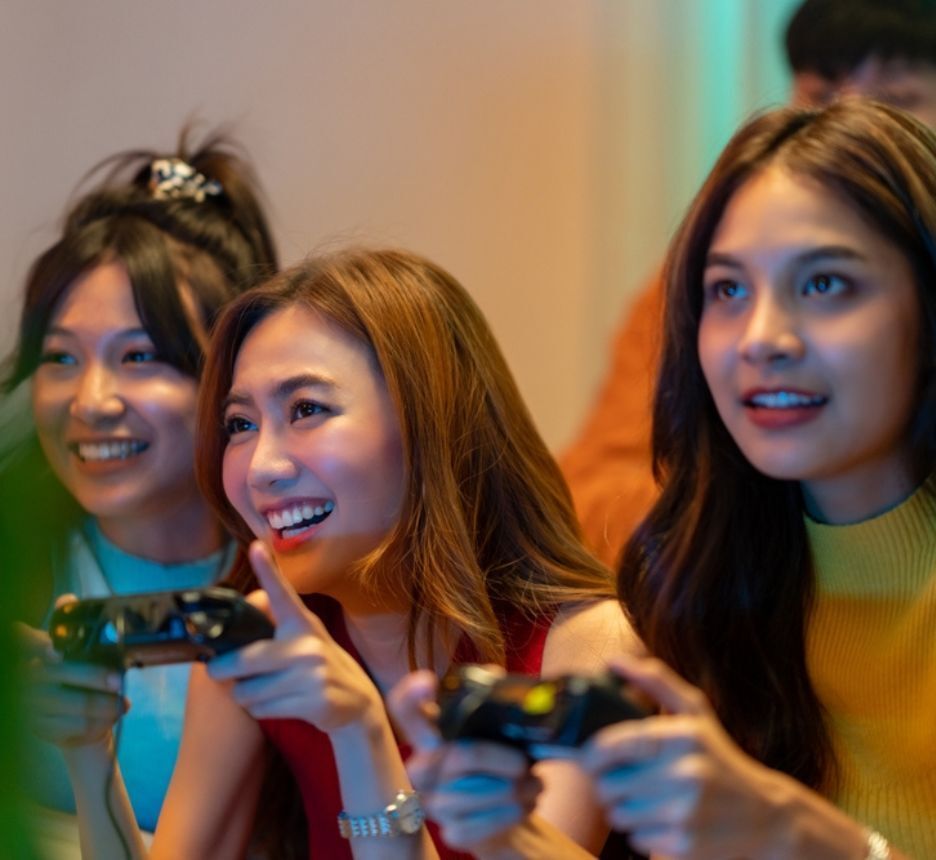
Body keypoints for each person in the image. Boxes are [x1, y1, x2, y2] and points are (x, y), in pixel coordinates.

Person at [394, 98, 936, 859]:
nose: (761, 339)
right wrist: (504, 834)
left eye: (824, 286)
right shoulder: (687, 582)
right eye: (728, 290)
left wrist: (800, 836)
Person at [62, 248, 629, 859]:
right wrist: (90, 758)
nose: (261, 468)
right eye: (240, 424)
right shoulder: (254, 650)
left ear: (431, 421)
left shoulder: (586, 648)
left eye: (307, 410)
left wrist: (362, 735)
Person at [561, 0, 936, 567]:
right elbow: (590, 498)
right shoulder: (687, 290)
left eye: (897, 102)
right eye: (821, 96)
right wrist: (747, 499)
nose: (849, 129)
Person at [2, 129, 278, 853]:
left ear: (227, 379)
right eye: (60, 357)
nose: (91, 400)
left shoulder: (297, 587)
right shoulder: (15, 563)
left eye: (140, 357)